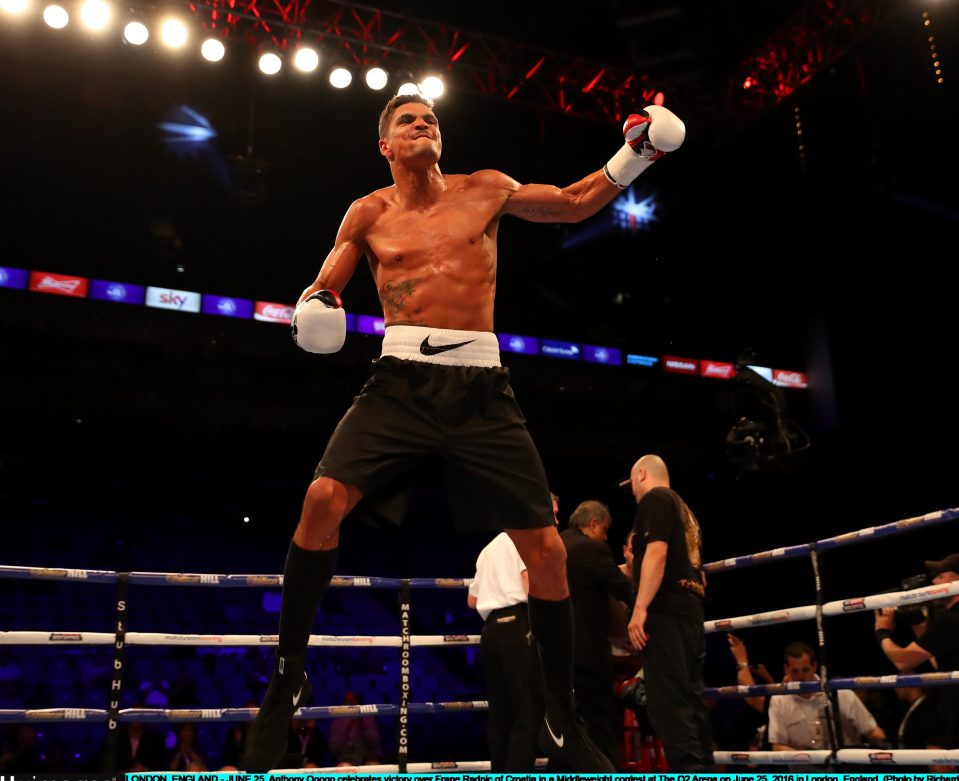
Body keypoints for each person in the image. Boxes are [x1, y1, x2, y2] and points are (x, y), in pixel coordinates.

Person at [241, 92, 685, 773]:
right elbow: (327, 277)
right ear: (385, 147)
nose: (423, 125)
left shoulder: (486, 188)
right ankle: (286, 676)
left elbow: (571, 201)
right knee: (321, 500)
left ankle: (561, 718)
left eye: (430, 119)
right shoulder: (367, 211)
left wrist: (639, 150)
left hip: (481, 386)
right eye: (406, 121)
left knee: (548, 551)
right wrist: (313, 304)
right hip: (397, 382)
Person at [626, 454, 713, 771]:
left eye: (632, 481)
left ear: (642, 474)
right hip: (690, 612)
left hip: (667, 612)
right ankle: (704, 770)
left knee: (669, 705)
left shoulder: (655, 498)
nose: (632, 490)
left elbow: (657, 552)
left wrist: (640, 608)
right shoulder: (684, 509)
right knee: (691, 701)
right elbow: (698, 572)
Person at [561, 499, 633, 766]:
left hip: (556, 653)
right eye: (604, 530)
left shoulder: (556, 544)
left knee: (565, 725)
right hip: (587, 654)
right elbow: (623, 590)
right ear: (592, 524)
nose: (605, 538)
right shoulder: (592, 549)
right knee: (603, 721)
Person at [874, 552, 959, 769]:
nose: (933, 581)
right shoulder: (949, 621)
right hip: (951, 706)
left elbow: (902, 662)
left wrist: (883, 632)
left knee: (942, 767)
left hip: (954, 709)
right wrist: (918, 624)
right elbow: (942, 663)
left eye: (941, 576)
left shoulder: (950, 619)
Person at [468, 531, 541, 771]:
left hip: (490, 631)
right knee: (525, 710)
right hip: (515, 624)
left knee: (500, 712)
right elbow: (527, 579)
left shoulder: (488, 548)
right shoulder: (526, 538)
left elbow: (472, 599)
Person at [767, 641, 886, 751]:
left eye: (805, 670)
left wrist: (880, 745)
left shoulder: (841, 694)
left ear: (814, 666)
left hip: (844, 769)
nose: (800, 676)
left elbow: (873, 731)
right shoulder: (779, 700)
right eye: (795, 671)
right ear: (786, 669)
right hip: (804, 771)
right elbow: (778, 746)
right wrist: (808, 759)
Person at [328, 691, 381, 767]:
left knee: (373, 765)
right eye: (348, 701)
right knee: (345, 766)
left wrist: (363, 727)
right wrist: (346, 731)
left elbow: (375, 743)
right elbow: (333, 748)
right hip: (344, 756)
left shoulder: (368, 718)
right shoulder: (338, 722)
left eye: (353, 700)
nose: (351, 703)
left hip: (366, 755)